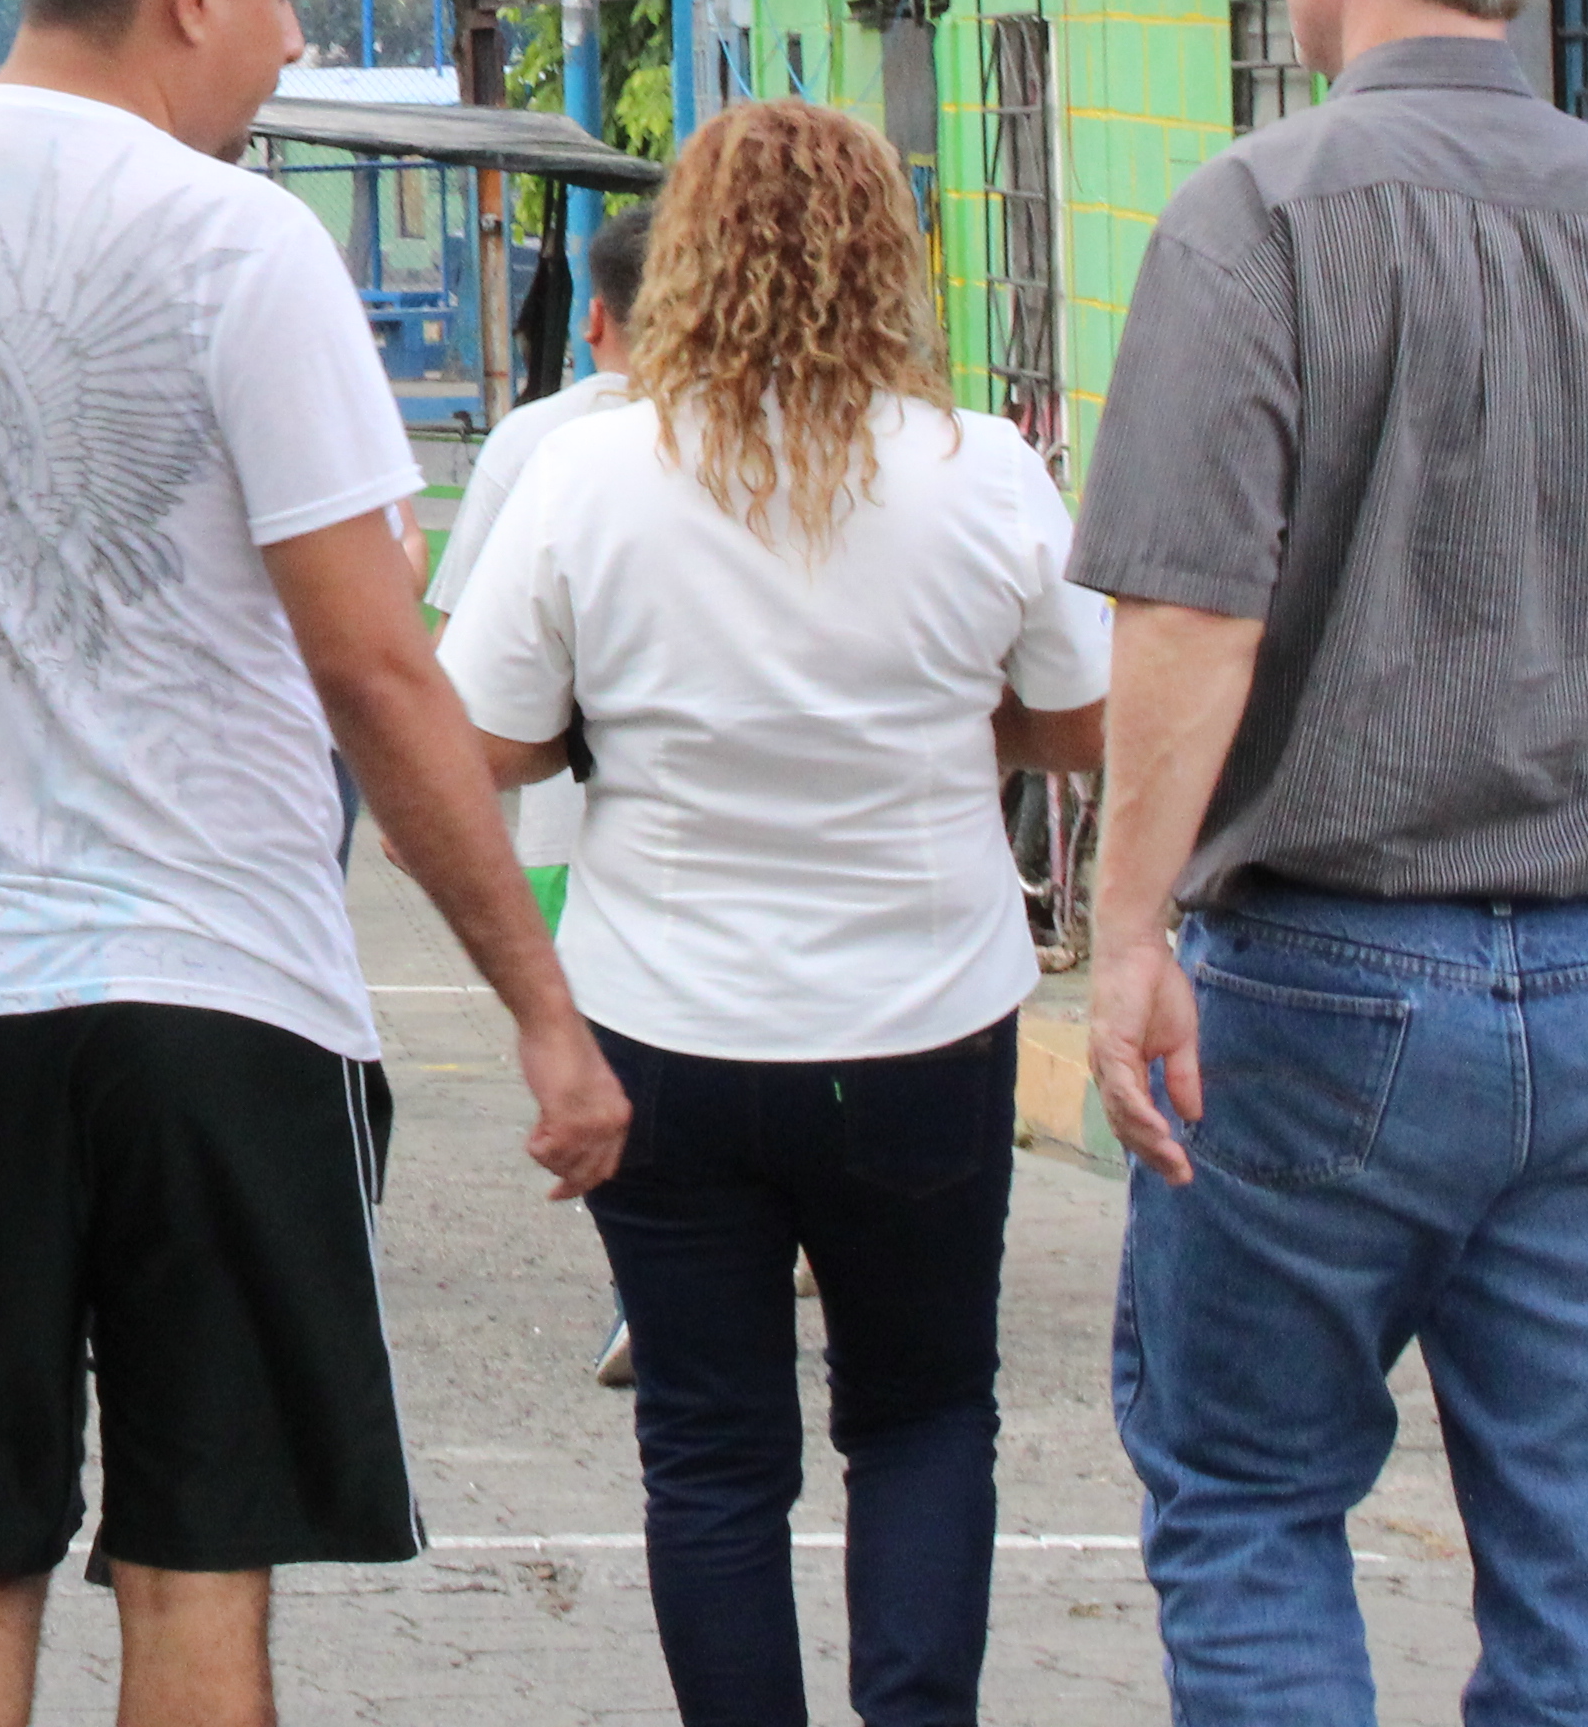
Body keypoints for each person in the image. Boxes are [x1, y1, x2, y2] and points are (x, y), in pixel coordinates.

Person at [0, 0, 627, 1727]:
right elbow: (377, 666)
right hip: (222, 997)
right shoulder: (241, 244)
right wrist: (543, 1011)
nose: (296, 41)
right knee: (195, 1552)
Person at [1072, 0, 1588, 1727]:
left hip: (1320, 993)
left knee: (1247, 1499)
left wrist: (1128, 944)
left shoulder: (1255, 219)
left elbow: (1192, 613)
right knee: (1586, 1556)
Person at [439, 104, 1110, 1727]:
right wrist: (953, 724)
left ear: (680, 258)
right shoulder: (978, 472)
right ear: (887, 258)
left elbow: (478, 740)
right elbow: (1085, 723)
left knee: (710, 1449)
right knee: (923, 1416)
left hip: (662, 1031)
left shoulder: (591, 470)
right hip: (920, 1028)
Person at [427, 199, 656, 938]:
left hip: (572, 842)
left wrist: (427, 798)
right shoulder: (794, 449)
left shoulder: (542, 444)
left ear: (594, 320)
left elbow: (457, 656)